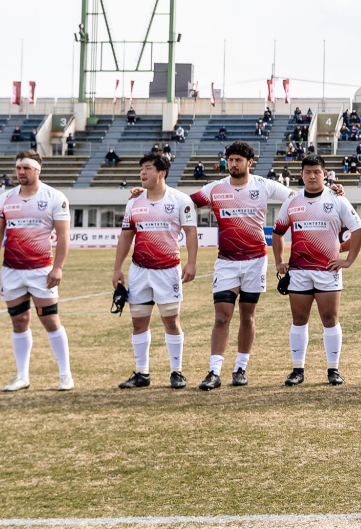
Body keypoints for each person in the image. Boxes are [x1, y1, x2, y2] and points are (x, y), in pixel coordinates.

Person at [177, 142, 293, 390]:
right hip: (226, 262)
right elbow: (185, 202)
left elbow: (297, 198)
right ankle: (214, 371)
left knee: (247, 316)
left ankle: (240, 368)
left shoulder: (263, 185)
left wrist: (331, 191)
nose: (233, 164)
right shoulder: (216, 188)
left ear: (250, 162)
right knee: (222, 316)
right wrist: (145, 195)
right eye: (230, 160)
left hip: (255, 261)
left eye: (238, 160)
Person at [0, 149, 74, 392]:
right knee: (19, 321)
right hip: (12, 270)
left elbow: (64, 235)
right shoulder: (5, 198)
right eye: (18, 168)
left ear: (37, 170)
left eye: (26, 168)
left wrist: (58, 268)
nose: (21, 172)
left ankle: (65, 375)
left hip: (41, 270)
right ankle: (22, 376)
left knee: (50, 320)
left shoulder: (55, 197)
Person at [273, 154, 361, 386]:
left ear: (324, 174)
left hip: (327, 270)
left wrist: (349, 260)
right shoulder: (292, 201)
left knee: (330, 319)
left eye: (316, 172)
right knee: (299, 319)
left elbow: (358, 229)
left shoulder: (337, 199)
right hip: (299, 271)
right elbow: (278, 232)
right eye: (308, 172)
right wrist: (279, 261)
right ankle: (298, 370)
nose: (312, 176)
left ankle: (333, 370)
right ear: (301, 174)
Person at [111, 151, 198, 389]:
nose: (142, 173)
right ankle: (142, 373)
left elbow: (190, 232)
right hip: (139, 270)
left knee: (171, 321)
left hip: (168, 270)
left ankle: (176, 372)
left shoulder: (180, 200)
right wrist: (117, 268)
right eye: (141, 169)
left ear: (162, 173)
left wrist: (191, 262)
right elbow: (126, 236)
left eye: (148, 168)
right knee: (139, 323)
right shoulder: (134, 202)